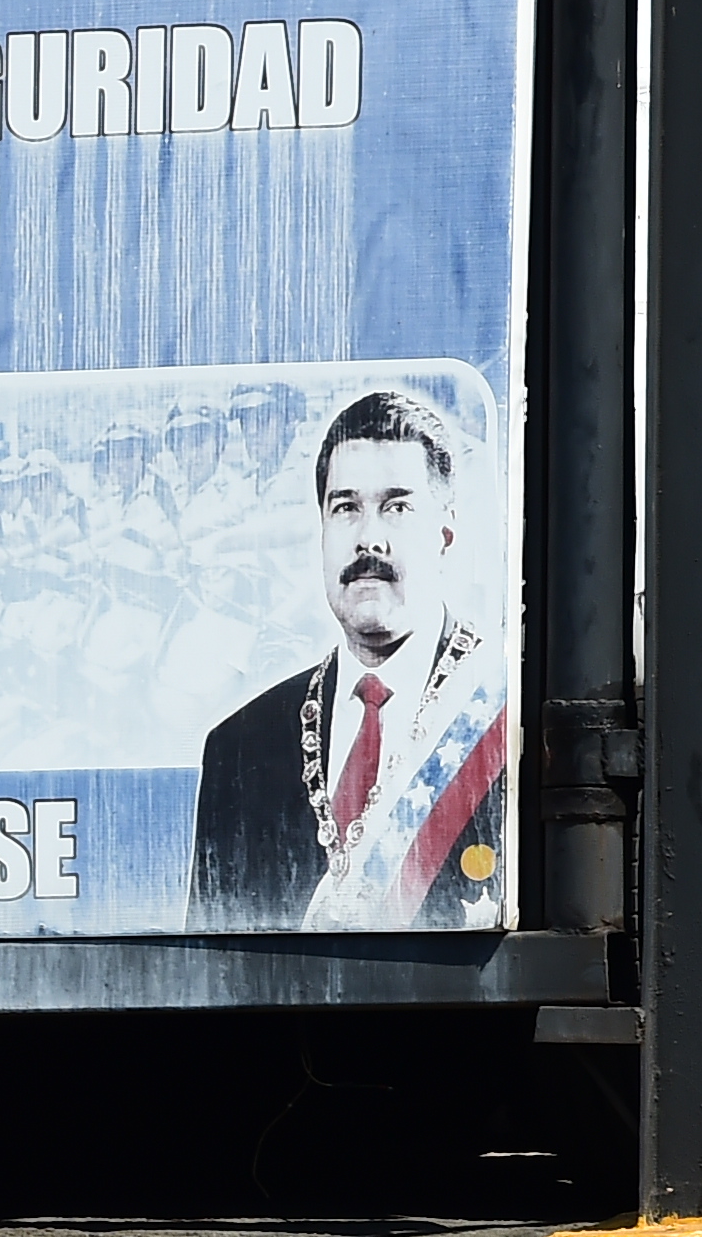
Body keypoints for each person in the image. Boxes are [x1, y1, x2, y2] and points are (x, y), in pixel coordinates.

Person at [186, 386, 510, 929]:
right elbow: (208, 982)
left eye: (397, 507)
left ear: (445, 534)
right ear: (322, 531)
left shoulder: (507, 721)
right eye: (346, 509)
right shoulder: (240, 748)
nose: (369, 541)